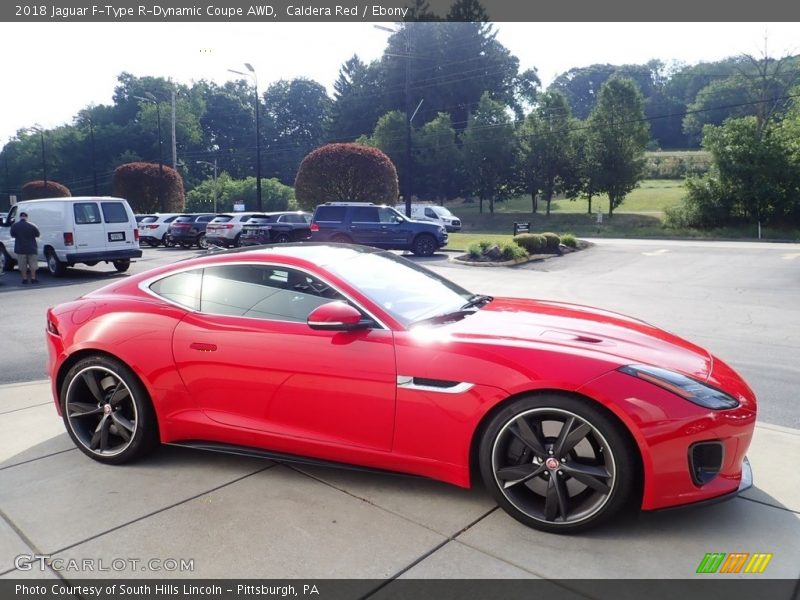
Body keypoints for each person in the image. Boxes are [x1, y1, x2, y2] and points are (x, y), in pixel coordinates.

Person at [10, 211, 41, 284]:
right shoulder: (32, 226)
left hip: (20, 248)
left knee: (22, 265)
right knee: (33, 265)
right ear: (27, 217)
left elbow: (13, 235)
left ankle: (24, 279)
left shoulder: (15, 226)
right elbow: (37, 235)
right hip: (31, 248)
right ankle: (33, 278)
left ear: (20, 217)